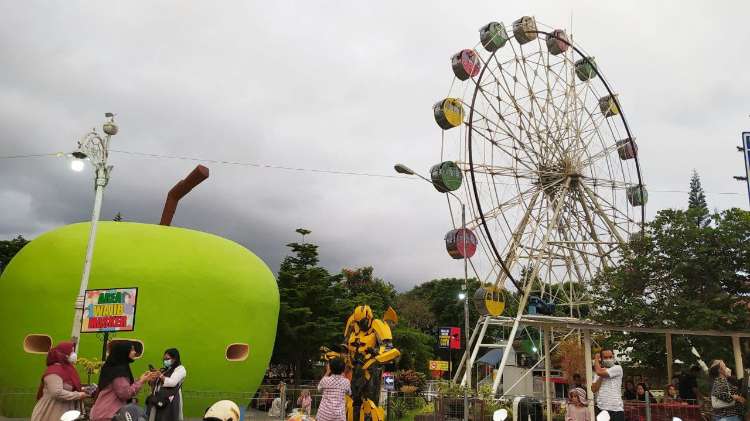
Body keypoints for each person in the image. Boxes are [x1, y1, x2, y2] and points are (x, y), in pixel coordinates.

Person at [90, 341, 158, 421]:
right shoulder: (118, 371)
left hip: (103, 412)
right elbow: (125, 393)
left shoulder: (114, 367)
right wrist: (141, 381)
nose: (135, 352)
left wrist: (141, 379)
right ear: (124, 351)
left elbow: (123, 386)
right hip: (107, 415)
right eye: (132, 350)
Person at [31, 341, 89, 421]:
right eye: (71, 351)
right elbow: (56, 392)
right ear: (63, 355)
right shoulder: (54, 371)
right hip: (50, 412)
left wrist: (83, 390)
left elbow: (70, 387)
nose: (74, 354)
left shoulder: (68, 369)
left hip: (65, 412)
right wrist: (78, 395)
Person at [147, 348, 186, 421]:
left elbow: (172, 382)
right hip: (159, 400)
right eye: (164, 359)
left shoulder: (180, 369)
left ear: (175, 359)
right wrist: (152, 378)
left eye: (167, 359)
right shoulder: (165, 370)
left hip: (171, 401)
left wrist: (160, 375)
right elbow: (155, 385)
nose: (165, 361)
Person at [591, 349, 624, 421]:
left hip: (616, 410)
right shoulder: (599, 371)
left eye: (610, 357)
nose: (608, 359)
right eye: (605, 357)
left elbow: (599, 372)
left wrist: (596, 359)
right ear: (601, 359)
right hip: (601, 408)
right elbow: (593, 389)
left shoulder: (617, 368)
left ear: (613, 357)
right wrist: (601, 376)